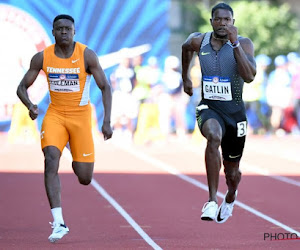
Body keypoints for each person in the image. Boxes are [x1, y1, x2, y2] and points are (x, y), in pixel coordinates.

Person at [16, 14, 113, 242]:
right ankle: (58, 221)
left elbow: (105, 87)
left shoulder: (86, 55)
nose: (63, 33)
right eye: (59, 29)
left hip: (80, 118)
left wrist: (106, 120)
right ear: (53, 32)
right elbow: (21, 87)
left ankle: (72, 144)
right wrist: (30, 105)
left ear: (74, 32)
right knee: (50, 158)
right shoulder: (42, 57)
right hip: (55, 116)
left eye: (67, 29)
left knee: (85, 177)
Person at [181, 3, 256, 223]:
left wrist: (234, 45)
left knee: (232, 173)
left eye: (227, 19)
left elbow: (249, 76)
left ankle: (231, 194)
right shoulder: (199, 40)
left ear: (233, 22)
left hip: (235, 114)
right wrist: (185, 77)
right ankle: (212, 201)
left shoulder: (243, 43)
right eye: (218, 19)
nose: (222, 23)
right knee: (213, 136)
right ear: (212, 21)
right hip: (209, 107)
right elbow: (185, 48)